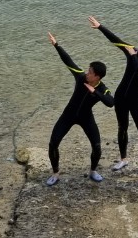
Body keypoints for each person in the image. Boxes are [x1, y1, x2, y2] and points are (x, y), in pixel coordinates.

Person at [89, 15, 138, 176]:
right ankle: (123, 158)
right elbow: (116, 40)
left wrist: (134, 55)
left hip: (137, 101)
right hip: (121, 98)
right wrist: (100, 27)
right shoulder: (132, 50)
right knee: (122, 128)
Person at [44, 32, 114, 186]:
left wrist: (94, 92)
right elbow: (68, 61)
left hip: (85, 117)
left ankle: (93, 171)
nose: (87, 73)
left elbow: (111, 102)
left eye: (90, 72)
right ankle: (55, 173)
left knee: (97, 146)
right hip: (68, 115)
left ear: (97, 77)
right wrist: (56, 45)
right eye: (88, 71)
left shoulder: (102, 89)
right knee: (53, 143)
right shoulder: (81, 77)